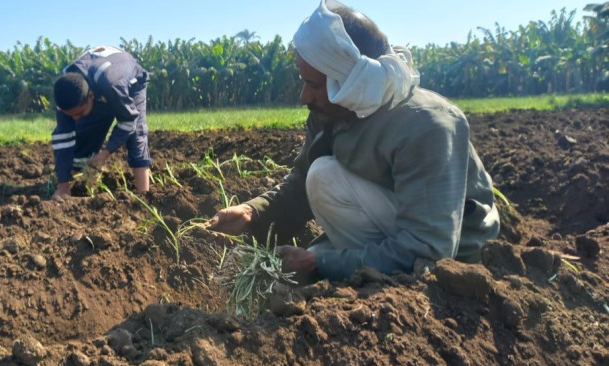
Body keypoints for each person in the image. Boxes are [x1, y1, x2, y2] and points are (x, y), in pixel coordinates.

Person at [208, 0, 500, 282]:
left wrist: (320, 262)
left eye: (312, 85)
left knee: (324, 179)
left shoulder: (427, 126)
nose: (303, 97)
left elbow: (430, 249)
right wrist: (251, 211)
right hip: (392, 223)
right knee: (314, 189)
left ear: (350, 82)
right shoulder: (332, 111)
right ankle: (361, 265)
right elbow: (299, 185)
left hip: (452, 251)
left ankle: (375, 277)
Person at [50, 45, 151, 199]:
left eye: (79, 112)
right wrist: (63, 185)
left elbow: (129, 120)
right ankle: (76, 184)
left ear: (91, 96)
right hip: (99, 85)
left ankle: (144, 195)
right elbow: (63, 138)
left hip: (130, 82)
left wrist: (106, 152)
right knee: (84, 131)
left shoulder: (111, 84)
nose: (76, 118)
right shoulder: (65, 89)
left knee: (136, 134)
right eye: (71, 115)